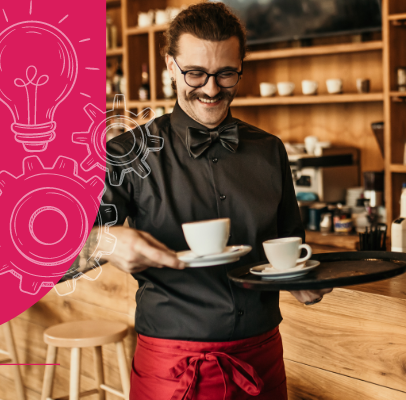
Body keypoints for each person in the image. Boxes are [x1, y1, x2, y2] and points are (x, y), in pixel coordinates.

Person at [67, 3, 331, 399]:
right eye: (196, 73)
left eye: (226, 73)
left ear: (241, 65)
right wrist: (106, 243)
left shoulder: (269, 150)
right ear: (171, 66)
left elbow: (288, 247)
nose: (211, 89)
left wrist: (298, 279)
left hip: (262, 361)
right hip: (173, 369)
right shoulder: (127, 153)